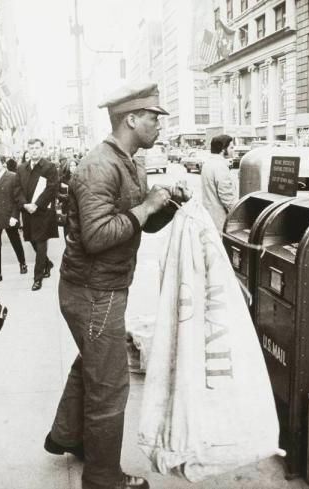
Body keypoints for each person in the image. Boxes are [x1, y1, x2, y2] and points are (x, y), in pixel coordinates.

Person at [48, 82, 189, 489]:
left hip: (103, 289)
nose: (159, 125)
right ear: (131, 119)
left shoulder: (130, 162)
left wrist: (168, 204)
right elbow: (97, 236)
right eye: (153, 117)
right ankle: (103, 478)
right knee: (110, 386)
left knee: (91, 365)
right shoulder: (99, 166)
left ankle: (66, 435)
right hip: (94, 293)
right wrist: (147, 205)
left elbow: (136, 222)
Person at [16, 139, 62, 291]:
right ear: (28, 150)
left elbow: (52, 188)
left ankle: (38, 278)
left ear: (42, 149)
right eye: (31, 148)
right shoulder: (21, 168)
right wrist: (25, 204)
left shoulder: (49, 167)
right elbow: (17, 189)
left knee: (41, 242)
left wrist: (37, 205)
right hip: (28, 211)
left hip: (42, 211)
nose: (34, 151)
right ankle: (47, 264)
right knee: (32, 241)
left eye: (37, 148)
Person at [0, 156, 28, 281]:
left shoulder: (13, 177)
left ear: (3, 164)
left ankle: (23, 263)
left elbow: (17, 198)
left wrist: (15, 216)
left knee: (15, 240)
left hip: (10, 215)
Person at [201, 134, 239, 231]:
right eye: (231, 147)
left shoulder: (208, 163)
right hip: (220, 220)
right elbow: (227, 197)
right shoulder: (220, 166)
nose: (233, 150)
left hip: (208, 216)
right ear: (223, 149)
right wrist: (238, 216)